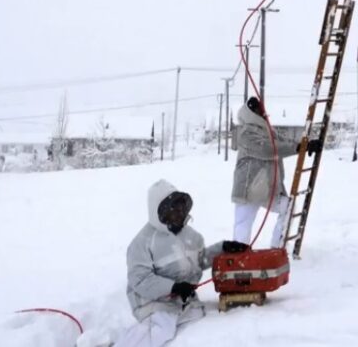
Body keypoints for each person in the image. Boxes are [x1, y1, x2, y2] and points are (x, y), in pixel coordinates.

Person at [115, 179, 248, 347]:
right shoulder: (142, 243)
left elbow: (200, 261)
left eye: (180, 209)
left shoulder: (191, 236)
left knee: (196, 329)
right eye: (172, 211)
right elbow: (141, 281)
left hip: (184, 302)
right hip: (153, 304)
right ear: (158, 212)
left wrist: (223, 248)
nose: (178, 214)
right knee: (161, 329)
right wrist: (173, 287)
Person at [232, 97, 322, 247]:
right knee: (242, 227)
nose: (263, 112)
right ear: (251, 112)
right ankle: (240, 258)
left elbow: (284, 142)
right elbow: (267, 148)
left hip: (266, 190)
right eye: (259, 110)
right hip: (248, 190)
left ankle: (277, 247)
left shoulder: (268, 130)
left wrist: (305, 145)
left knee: (287, 207)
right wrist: (299, 148)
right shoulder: (246, 133)